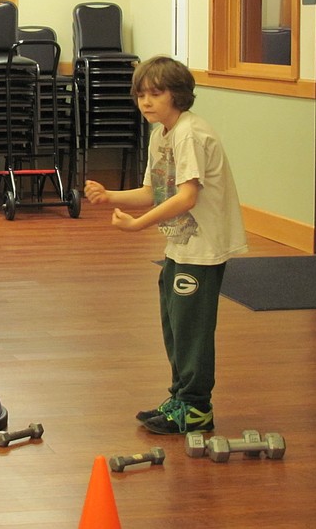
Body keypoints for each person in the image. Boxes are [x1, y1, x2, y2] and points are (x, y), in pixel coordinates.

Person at [83, 55, 246, 435]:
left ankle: (196, 407)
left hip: (202, 249)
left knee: (192, 327)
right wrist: (111, 197)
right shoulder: (162, 134)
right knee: (175, 323)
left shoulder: (190, 133)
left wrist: (137, 226)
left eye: (155, 93)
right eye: (141, 94)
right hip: (180, 246)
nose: (145, 102)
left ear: (178, 95)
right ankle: (180, 396)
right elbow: (153, 192)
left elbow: (186, 197)